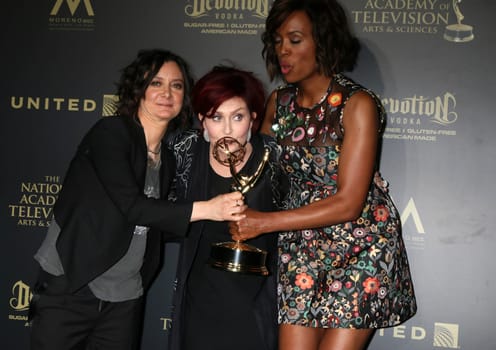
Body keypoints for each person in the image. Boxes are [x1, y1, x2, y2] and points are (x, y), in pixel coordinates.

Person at [229, 1, 417, 349]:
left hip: (359, 248)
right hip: (300, 249)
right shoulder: (278, 103)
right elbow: (262, 175)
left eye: (295, 39)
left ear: (324, 43)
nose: (282, 50)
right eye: (278, 39)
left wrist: (263, 223)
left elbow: (348, 203)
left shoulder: (357, 104)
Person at [29, 49, 245, 350]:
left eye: (177, 85)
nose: (167, 93)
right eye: (156, 83)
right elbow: (132, 207)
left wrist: (228, 222)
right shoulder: (111, 132)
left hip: (124, 297)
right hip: (72, 285)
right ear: (138, 89)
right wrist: (208, 208)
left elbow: (158, 224)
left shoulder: (167, 158)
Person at [167, 65, 283, 350]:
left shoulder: (275, 155)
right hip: (200, 296)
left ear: (253, 119)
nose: (228, 129)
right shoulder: (185, 150)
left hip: (256, 298)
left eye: (238, 116)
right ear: (202, 121)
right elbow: (160, 216)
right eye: (217, 117)